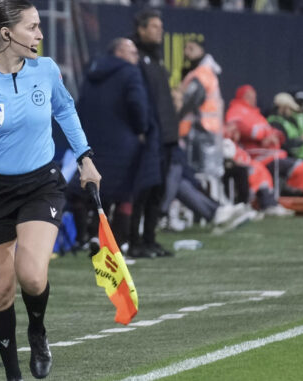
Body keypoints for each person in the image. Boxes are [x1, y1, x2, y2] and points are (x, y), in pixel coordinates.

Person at [0, 1, 101, 380]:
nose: (41, 35)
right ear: (7, 34)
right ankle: (13, 374)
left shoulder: (46, 70)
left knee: (32, 276)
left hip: (39, 187)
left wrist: (85, 158)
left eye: (40, 26)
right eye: (33, 27)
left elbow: (65, 111)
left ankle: (38, 331)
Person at [72, 37, 151, 249]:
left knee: (92, 190)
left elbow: (80, 105)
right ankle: (115, 244)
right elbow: (137, 104)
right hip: (123, 142)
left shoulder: (92, 71)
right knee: (125, 194)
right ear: (120, 52)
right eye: (132, 52)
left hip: (93, 141)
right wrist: (141, 128)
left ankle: (87, 237)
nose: (136, 57)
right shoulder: (130, 72)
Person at [128, 8, 178, 258]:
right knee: (142, 191)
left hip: (166, 135)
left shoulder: (157, 58)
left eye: (161, 27)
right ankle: (134, 241)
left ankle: (150, 240)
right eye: (155, 27)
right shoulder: (135, 58)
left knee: (157, 192)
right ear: (141, 29)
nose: (160, 31)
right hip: (149, 136)